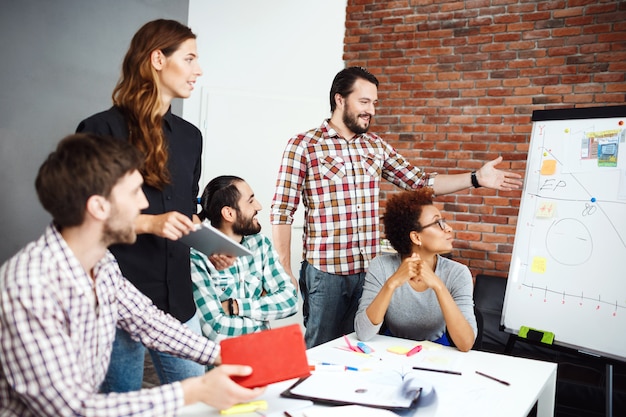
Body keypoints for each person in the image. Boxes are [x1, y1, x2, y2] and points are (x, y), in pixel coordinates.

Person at [0, 133, 264, 416]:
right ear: (99, 207)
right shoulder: (28, 287)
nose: (144, 205)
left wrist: (221, 354)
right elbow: (72, 409)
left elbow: (148, 321)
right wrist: (193, 391)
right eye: (135, 192)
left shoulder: (102, 264)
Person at [270, 66, 522, 348]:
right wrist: (284, 269)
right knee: (323, 348)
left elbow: (420, 182)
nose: (372, 111)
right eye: (364, 102)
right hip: (327, 273)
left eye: (374, 103)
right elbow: (282, 210)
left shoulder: (375, 146)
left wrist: (475, 178)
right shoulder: (304, 145)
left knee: (363, 348)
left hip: (369, 272)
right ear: (339, 100)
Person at [76, 19, 208, 391]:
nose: (199, 70)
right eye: (190, 58)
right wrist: (150, 224)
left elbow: (184, 210)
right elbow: (82, 221)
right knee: (119, 408)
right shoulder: (100, 130)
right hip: (117, 303)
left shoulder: (190, 137)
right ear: (157, 59)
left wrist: (207, 243)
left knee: (198, 404)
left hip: (178, 303)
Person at [354, 188, 477, 351]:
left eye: (444, 221)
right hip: (391, 352)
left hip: (437, 354)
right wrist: (392, 283)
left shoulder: (458, 273)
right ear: (416, 237)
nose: (448, 228)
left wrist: (438, 287)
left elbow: (466, 343)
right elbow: (363, 333)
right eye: (437, 223)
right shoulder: (382, 266)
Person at [191, 176, 298, 342]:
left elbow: (290, 300)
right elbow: (216, 330)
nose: (259, 206)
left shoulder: (261, 245)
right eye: (251, 201)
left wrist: (236, 306)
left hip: (264, 357)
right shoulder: (198, 257)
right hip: (223, 364)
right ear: (229, 213)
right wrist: (262, 313)